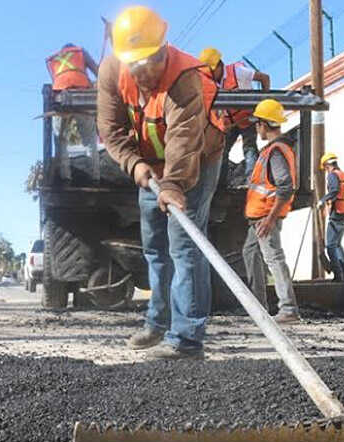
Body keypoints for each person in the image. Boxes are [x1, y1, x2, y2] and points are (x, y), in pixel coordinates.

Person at [98, 5, 225, 359]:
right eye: (136, 64)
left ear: (163, 47)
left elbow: (184, 139)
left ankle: (187, 338)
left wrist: (174, 185)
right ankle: (158, 321)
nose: (145, 70)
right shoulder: (111, 72)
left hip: (195, 163)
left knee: (184, 247)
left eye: (152, 59)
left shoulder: (185, 76)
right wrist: (134, 164)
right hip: (150, 167)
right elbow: (111, 130)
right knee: (155, 247)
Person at [241, 99, 300, 324]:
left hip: (266, 216)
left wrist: (270, 219)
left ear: (264, 124)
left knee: (274, 258)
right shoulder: (272, 151)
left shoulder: (276, 152)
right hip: (260, 216)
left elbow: (286, 186)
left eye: (257, 124)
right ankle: (259, 307)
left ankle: (288, 309)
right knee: (250, 252)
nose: (256, 128)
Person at [199, 47, 271, 188]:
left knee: (249, 148)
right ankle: (220, 185)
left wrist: (264, 103)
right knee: (222, 150)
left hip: (247, 117)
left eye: (212, 70)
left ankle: (253, 182)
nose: (210, 74)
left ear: (220, 65)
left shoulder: (237, 72)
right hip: (229, 122)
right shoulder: (210, 82)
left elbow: (264, 78)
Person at [46, 43, 100, 178]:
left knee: (60, 140)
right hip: (82, 99)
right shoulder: (80, 52)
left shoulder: (54, 59)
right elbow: (99, 73)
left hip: (61, 101)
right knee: (89, 140)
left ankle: (64, 177)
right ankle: (94, 177)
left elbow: (59, 82)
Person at [319, 152, 344, 282]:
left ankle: (338, 276)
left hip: (338, 213)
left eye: (325, 168)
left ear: (328, 165)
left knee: (330, 246)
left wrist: (322, 201)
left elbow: (334, 191)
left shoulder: (333, 175)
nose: (326, 171)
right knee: (338, 244)